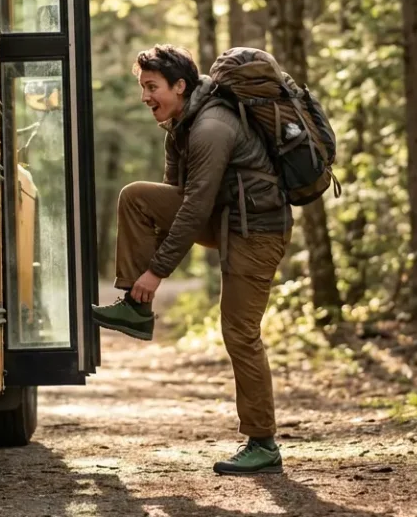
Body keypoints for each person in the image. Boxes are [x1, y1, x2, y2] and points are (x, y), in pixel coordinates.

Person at [92, 45, 292, 476]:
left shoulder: (211, 127)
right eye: (142, 87)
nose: (145, 96)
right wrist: (147, 275)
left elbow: (195, 209)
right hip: (225, 219)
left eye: (152, 87)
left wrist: (156, 272)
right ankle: (134, 308)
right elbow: (174, 201)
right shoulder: (178, 126)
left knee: (239, 331)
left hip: (257, 230)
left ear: (180, 86)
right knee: (136, 198)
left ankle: (263, 444)